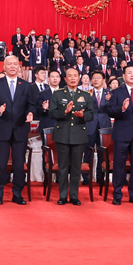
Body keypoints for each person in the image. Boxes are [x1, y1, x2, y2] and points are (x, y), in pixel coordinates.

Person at [0, 56, 36, 204]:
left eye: (15, 64)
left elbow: (31, 104)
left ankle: (17, 194)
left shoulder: (26, 85)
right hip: (1, 129)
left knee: (19, 164)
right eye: (9, 64)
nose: (13, 66)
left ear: (19, 67)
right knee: (0, 165)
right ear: (4, 67)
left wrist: (30, 113)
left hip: (20, 129)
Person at [48, 67, 94, 205]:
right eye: (70, 76)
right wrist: (65, 112)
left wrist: (83, 115)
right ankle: (62, 196)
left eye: (75, 76)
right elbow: (51, 113)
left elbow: (91, 114)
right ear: (65, 79)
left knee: (76, 167)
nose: (73, 78)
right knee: (62, 167)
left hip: (79, 135)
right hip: (62, 135)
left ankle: (74, 196)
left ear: (79, 78)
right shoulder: (57, 94)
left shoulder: (85, 95)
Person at [106, 65, 133, 205]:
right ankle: (117, 194)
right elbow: (110, 111)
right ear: (124, 76)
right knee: (119, 166)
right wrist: (122, 109)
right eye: (129, 73)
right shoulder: (117, 92)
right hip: (122, 134)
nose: (132, 75)